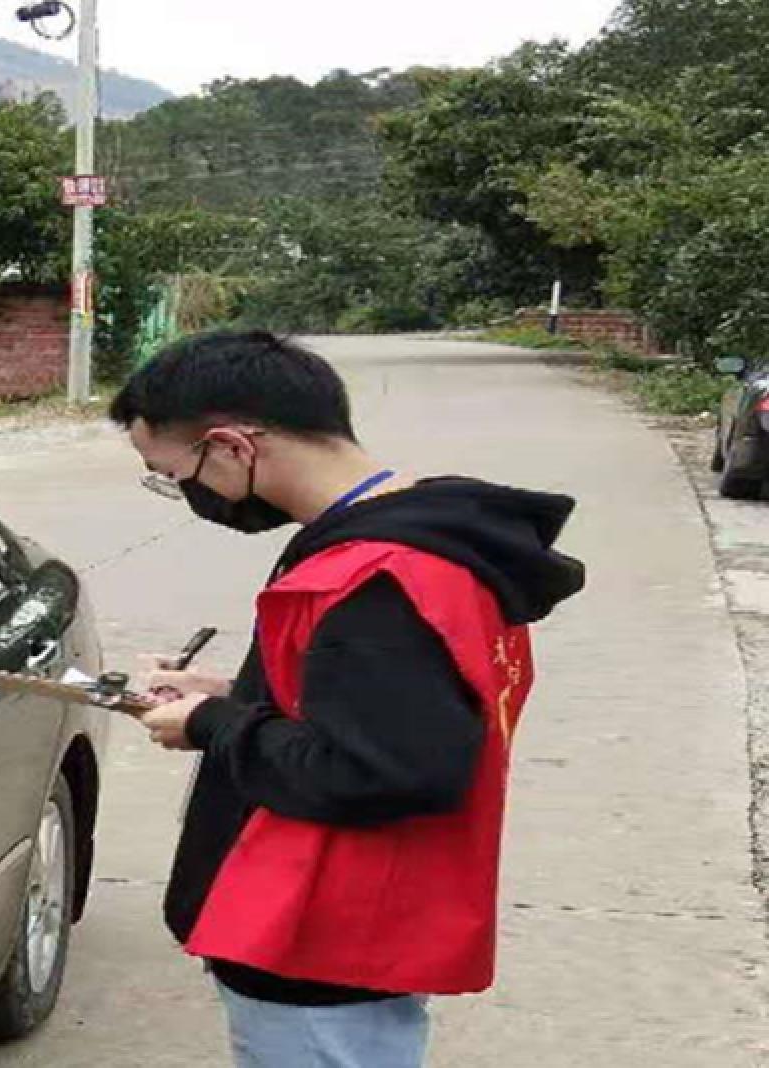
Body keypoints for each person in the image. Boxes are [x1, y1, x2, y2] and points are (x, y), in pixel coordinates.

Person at [109, 330, 585, 1068]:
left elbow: (384, 767)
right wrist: (239, 691)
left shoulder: (378, 578)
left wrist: (213, 723)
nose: (188, 495)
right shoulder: (421, 539)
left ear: (232, 446)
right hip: (345, 924)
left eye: (174, 475)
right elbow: (384, 704)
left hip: (319, 939)